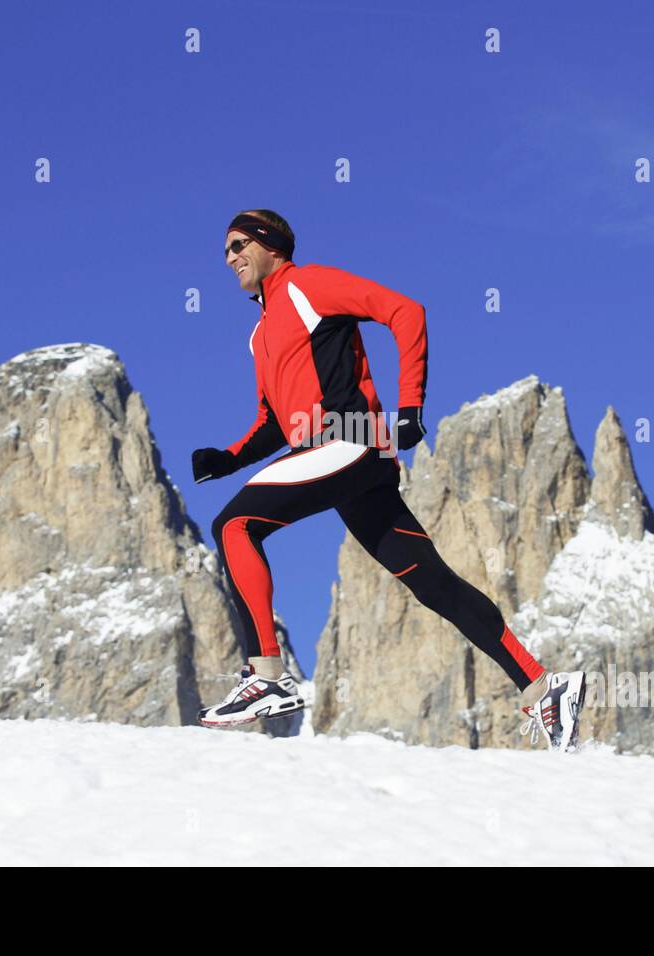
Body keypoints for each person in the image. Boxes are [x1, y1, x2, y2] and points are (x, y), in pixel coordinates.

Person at [191, 209, 585, 751]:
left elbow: (405, 310)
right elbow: (275, 422)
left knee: (234, 525)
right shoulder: (260, 335)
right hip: (336, 461)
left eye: (238, 245)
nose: (230, 258)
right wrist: (228, 458)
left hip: (347, 444)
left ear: (270, 245)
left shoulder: (308, 285)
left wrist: (410, 405)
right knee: (431, 581)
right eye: (225, 251)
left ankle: (266, 676)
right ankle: (544, 686)